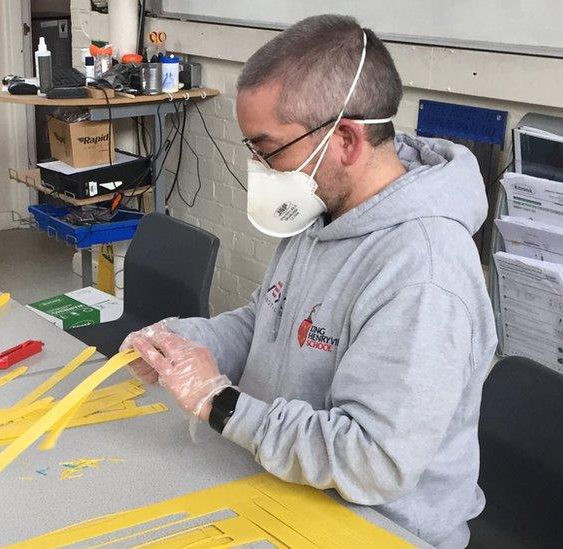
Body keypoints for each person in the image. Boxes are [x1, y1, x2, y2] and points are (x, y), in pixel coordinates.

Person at [124, 14, 497, 548]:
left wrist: (220, 402)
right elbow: (265, 322)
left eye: (268, 149)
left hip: (374, 528)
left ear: (345, 139)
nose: (260, 167)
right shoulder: (325, 210)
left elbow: (372, 462)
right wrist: (184, 345)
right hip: (281, 485)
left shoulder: (423, 273)